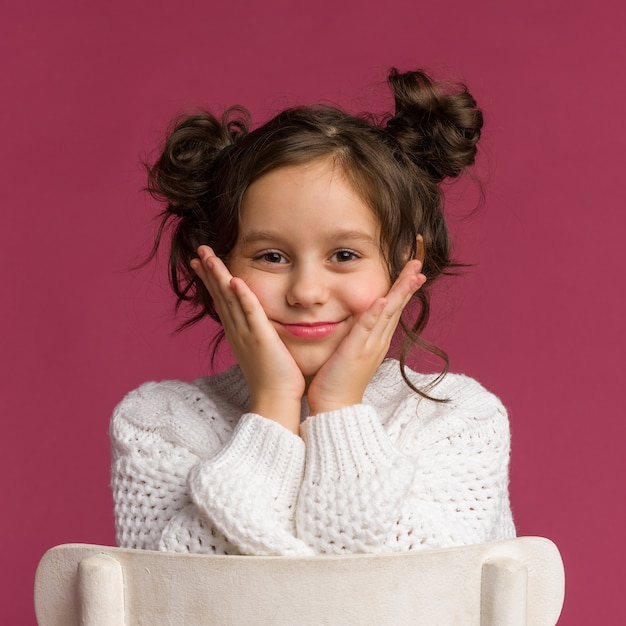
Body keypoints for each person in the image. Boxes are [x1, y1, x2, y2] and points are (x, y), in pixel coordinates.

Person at [110, 68, 515, 556]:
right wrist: (274, 404)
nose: (306, 291)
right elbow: (183, 592)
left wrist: (339, 408)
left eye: (344, 255)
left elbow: (415, 590)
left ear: (406, 263)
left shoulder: (458, 419)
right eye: (271, 257)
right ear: (214, 265)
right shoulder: (157, 423)